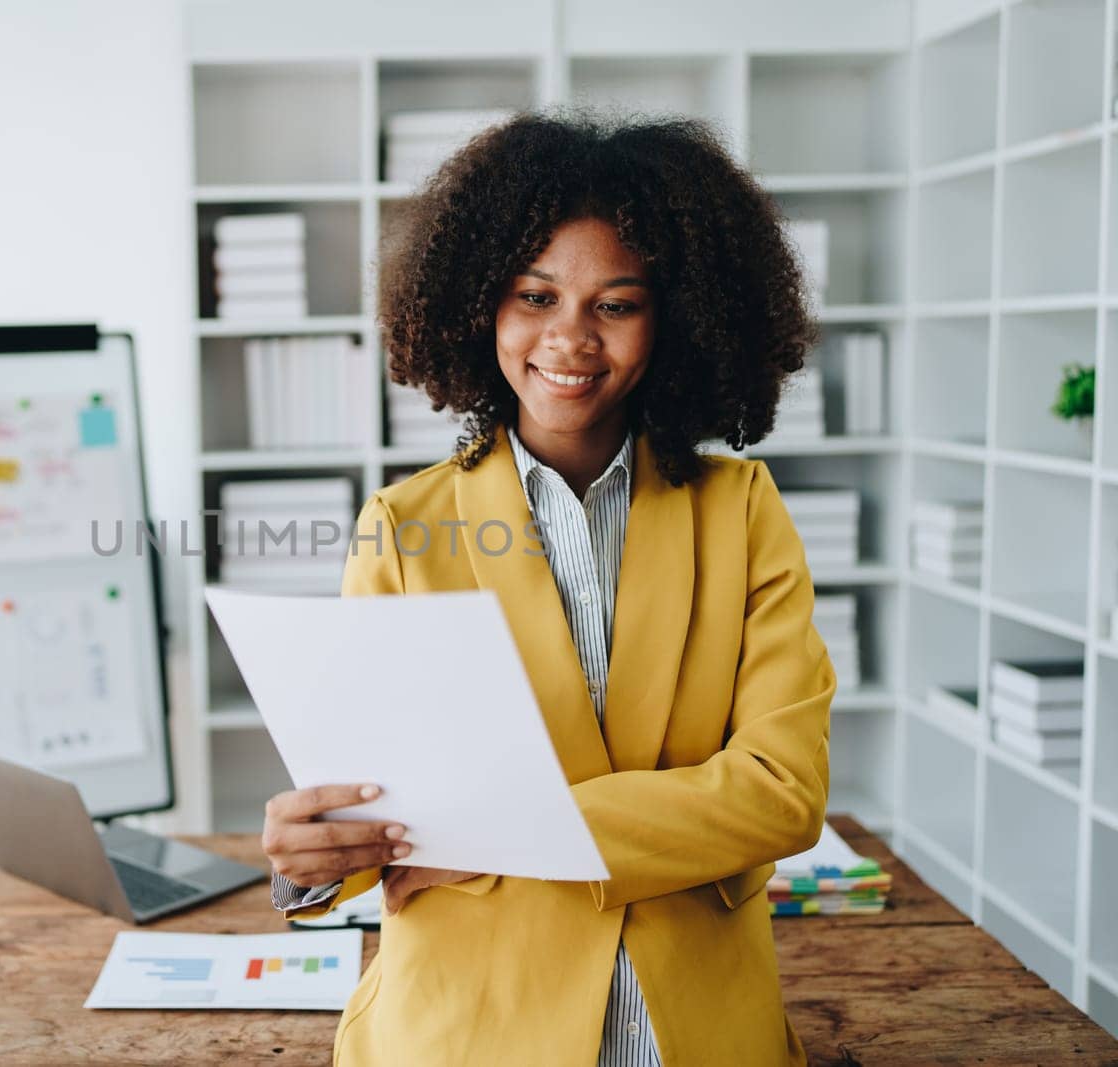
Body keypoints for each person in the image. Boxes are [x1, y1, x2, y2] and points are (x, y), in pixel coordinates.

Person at [260, 107, 835, 1066]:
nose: (568, 337)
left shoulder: (741, 511)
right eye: (534, 295)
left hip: (690, 1029)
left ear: (676, 317)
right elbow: (380, 816)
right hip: (468, 1027)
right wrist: (310, 869)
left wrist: (501, 830)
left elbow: (781, 795)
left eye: (615, 303)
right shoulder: (402, 529)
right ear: (479, 303)